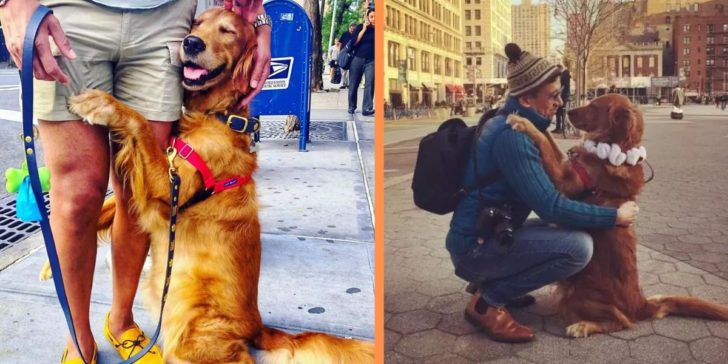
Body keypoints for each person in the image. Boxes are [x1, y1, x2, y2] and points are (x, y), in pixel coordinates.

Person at [0, 0, 271, 362]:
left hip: (165, 19)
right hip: (69, 14)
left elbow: (162, 195)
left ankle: (122, 321)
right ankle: (78, 340)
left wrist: (263, 24)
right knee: (77, 198)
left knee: (138, 195)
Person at [446, 43, 639, 343]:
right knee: (578, 248)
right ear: (525, 98)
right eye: (552, 96)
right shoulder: (514, 138)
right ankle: (489, 301)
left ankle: (498, 279)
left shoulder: (508, 121)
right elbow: (552, 206)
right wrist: (613, 216)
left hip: (489, 232)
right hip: (475, 247)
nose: (560, 102)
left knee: (556, 233)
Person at [347, 9, 374, 116]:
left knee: (370, 84)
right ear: (367, 18)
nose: (374, 19)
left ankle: (367, 108)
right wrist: (363, 29)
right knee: (353, 84)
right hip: (357, 60)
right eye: (372, 17)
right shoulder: (360, 27)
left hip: (372, 61)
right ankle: (351, 106)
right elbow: (354, 42)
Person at [552, 65, 571, 133]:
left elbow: (564, 86)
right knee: (559, 112)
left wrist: (558, 92)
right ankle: (559, 128)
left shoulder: (565, 73)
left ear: (560, 68)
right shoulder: (564, 73)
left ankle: (562, 128)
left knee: (561, 112)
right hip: (564, 95)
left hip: (564, 95)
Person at [338, 22, 357, 89]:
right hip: (344, 53)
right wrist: (339, 52)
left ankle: (349, 84)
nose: (352, 30)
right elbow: (340, 43)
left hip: (352, 54)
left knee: (350, 70)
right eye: (351, 28)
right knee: (343, 69)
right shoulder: (345, 34)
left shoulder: (356, 35)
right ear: (349, 27)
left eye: (354, 29)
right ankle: (343, 83)